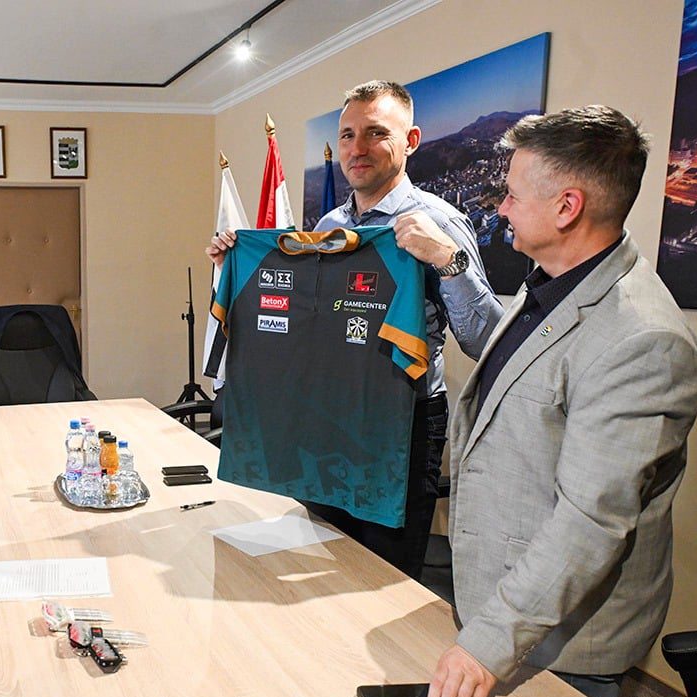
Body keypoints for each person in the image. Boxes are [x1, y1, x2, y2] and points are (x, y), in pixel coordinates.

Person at [426, 105, 697, 697]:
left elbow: (589, 522)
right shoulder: (550, 286)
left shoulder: (642, 341)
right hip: (500, 606)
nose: (501, 206)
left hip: (559, 644)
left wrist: (486, 645)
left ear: (566, 207)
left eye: (512, 194)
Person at [206, 80, 503, 578]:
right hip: (328, 415)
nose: (357, 148)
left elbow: (488, 342)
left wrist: (447, 261)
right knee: (318, 553)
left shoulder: (440, 222)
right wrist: (236, 271)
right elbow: (301, 322)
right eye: (347, 135)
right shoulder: (327, 225)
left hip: (400, 423)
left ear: (410, 141)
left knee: (385, 576)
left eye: (375, 133)